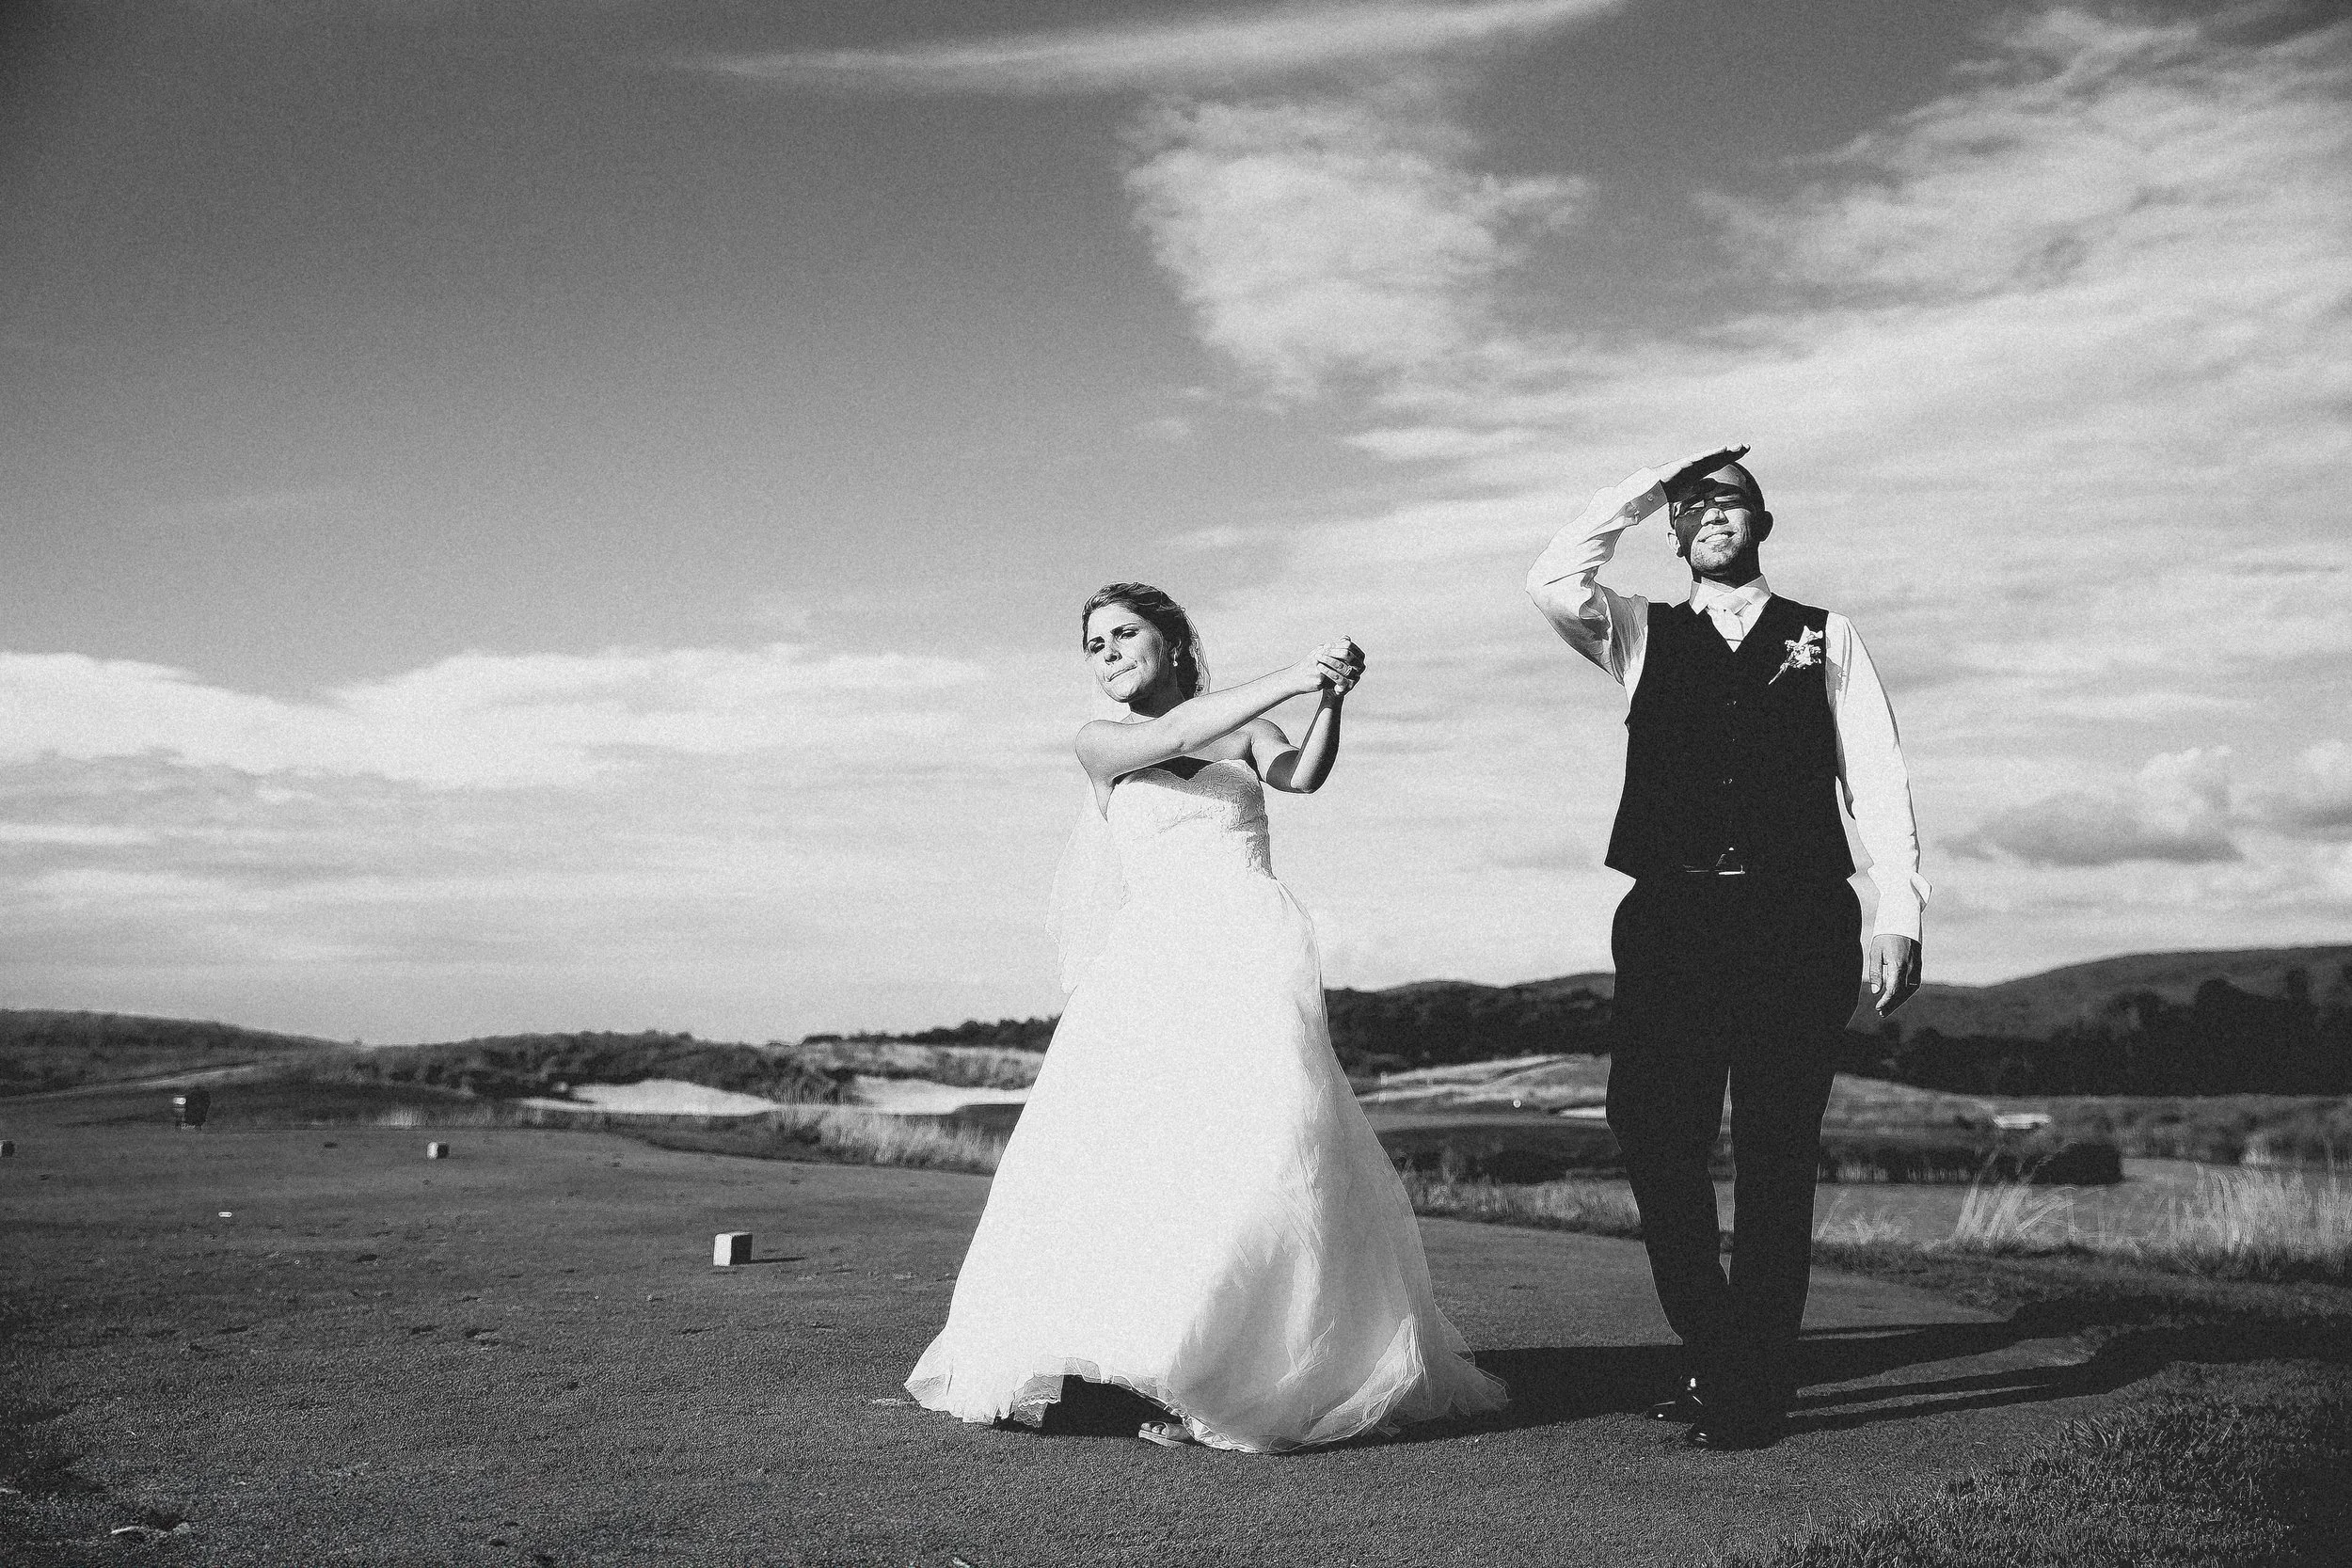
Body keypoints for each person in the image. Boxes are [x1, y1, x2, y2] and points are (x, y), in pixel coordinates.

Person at [906, 582, 1507, 1451]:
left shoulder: (1246, 729)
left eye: (1124, 633)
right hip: (1152, 972)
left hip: (1252, 961)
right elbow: (1179, 735)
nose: (1106, 651)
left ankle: (1233, 1368)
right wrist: (1297, 671)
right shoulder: (1103, 742)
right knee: (1146, 1156)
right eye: (1093, 642)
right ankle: (1136, 1355)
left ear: (1173, 641)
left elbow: (1301, 773)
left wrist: (1330, 703)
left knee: (1267, 1149)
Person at [1526, 444, 1928, 1450]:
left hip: (1799, 915)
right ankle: (1715, 1341)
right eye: (1694, 507)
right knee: (1651, 1129)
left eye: (1731, 501)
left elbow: (1875, 772)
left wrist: (1900, 907)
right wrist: (1650, 484)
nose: (1712, 514)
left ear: (1763, 523)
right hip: (1671, 916)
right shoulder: (1636, 632)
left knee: (1774, 1149)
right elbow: (1551, 576)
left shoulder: (1825, 634)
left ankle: (1748, 1382)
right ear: (1673, 530)